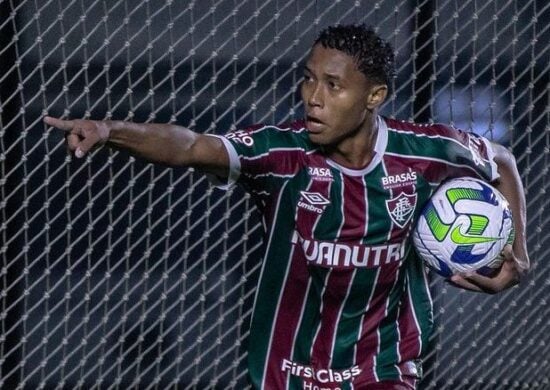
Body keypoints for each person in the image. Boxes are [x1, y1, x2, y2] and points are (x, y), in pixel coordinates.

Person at [44, 24, 529, 390]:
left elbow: (501, 159)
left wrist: (516, 252)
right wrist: (111, 132)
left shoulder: (425, 153)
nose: (313, 98)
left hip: (383, 364)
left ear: (374, 96)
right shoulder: (280, 154)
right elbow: (192, 146)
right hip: (287, 369)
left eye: (333, 86)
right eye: (308, 80)